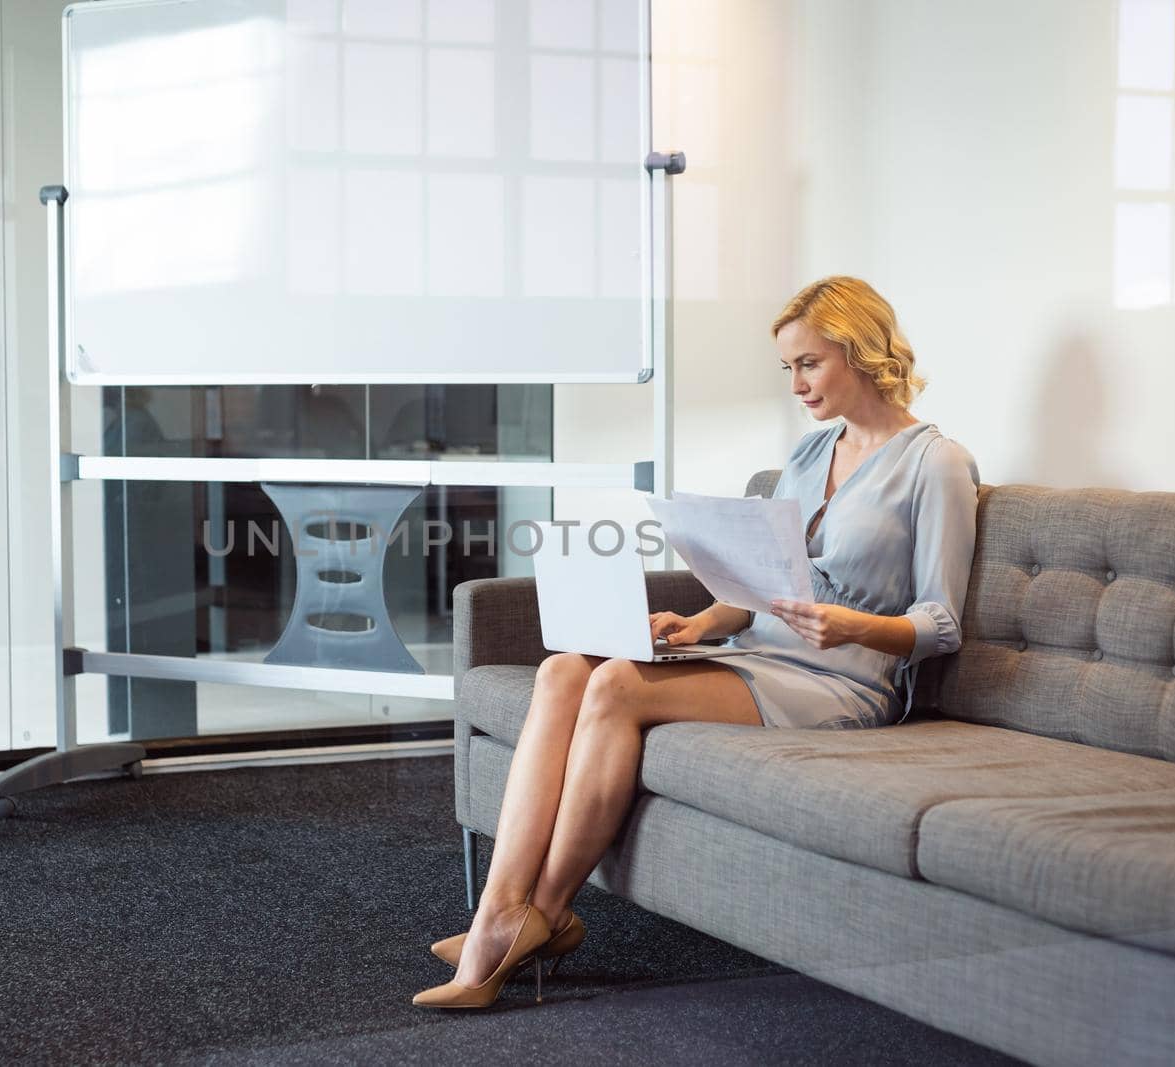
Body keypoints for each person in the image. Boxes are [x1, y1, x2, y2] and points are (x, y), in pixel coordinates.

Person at [411, 275, 982, 1009]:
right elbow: (759, 585)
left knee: (615, 683)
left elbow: (941, 622)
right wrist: (701, 623)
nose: (797, 383)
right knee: (562, 670)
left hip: (843, 679)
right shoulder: (810, 455)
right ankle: (500, 909)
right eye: (790, 369)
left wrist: (851, 624)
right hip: (759, 657)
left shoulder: (935, 463)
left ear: (861, 350)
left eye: (810, 363)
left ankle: (534, 916)